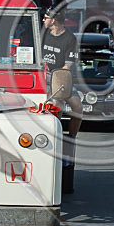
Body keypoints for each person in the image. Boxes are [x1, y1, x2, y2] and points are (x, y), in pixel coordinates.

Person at [41, 7, 82, 137]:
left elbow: (67, 66)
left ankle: (71, 137)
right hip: (41, 76)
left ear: (53, 21)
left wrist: (57, 84)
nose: (43, 20)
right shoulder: (41, 34)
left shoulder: (70, 39)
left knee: (78, 108)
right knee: (49, 106)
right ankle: (50, 136)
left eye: (45, 18)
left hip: (60, 78)